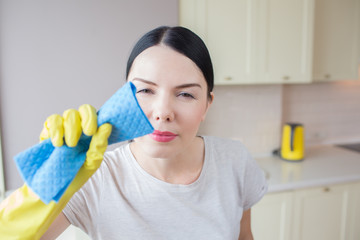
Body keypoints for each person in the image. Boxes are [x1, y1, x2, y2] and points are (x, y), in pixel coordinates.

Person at [1, 26, 267, 240]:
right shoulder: (93, 176)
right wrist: (45, 186)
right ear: (124, 96)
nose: (163, 112)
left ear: (207, 104)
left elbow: (245, 236)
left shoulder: (234, 161)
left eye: (185, 94)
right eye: (145, 90)